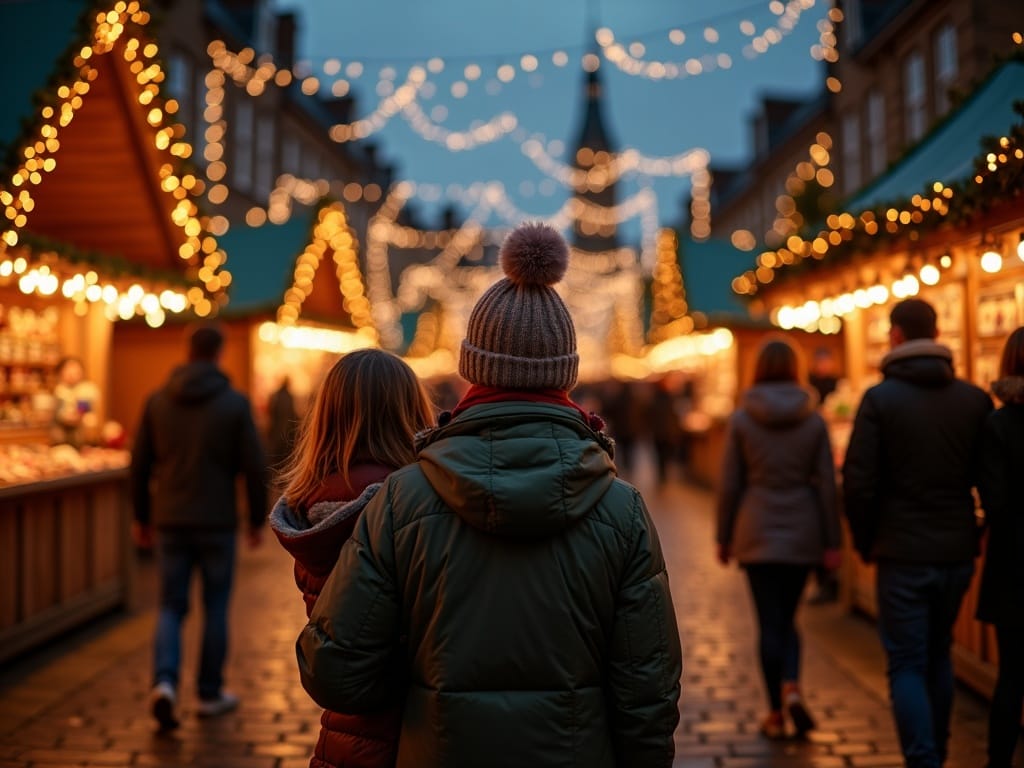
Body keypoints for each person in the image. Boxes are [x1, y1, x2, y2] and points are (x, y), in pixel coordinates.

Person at [297, 222, 682, 768]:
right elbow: (649, 688)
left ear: (472, 367)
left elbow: (335, 672)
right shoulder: (622, 509)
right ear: (566, 374)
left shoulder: (402, 500)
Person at [843, 298, 993, 768]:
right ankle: (940, 751)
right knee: (939, 653)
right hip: (955, 551)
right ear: (937, 333)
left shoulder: (879, 399)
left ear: (895, 336)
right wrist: (976, 531)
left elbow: (858, 482)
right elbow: (989, 480)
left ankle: (923, 760)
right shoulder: (973, 399)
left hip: (901, 550)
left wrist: (867, 542)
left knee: (906, 661)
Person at [270, 349, 434, 768]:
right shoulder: (415, 504)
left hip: (348, 731)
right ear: (411, 412)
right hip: (418, 726)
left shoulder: (311, 505)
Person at [131, 324, 269, 731]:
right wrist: (257, 520)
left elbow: (139, 467)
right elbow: (254, 466)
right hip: (216, 520)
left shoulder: (157, 401)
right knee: (216, 607)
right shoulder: (234, 404)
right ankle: (209, 693)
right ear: (219, 354)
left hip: (170, 519)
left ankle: (165, 683)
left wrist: (142, 518)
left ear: (187, 352)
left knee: (171, 606)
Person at [716, 337, 840, 740]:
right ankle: (791, 685)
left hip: (756, 528)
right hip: (803, 529)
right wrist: (832, 541)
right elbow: (825, 485)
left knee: (769, 622)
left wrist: (723, 536)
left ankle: (773, 712)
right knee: (790, 618)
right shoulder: (814, 418)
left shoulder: (742, 418)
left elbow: (731, 483)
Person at [976, 326, 1024, 768]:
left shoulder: (998, 424)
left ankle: (998, 762)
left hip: (1014, 565)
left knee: (1011, 674)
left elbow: (995, 501)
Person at [51, 356, 100, 446]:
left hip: (82, 439)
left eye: (75, 372)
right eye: (68, 372)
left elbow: (82, 411)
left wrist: (76, 416)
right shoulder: (59, 391)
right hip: (60, 439)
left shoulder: (86, 390)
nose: (72, 375)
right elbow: (58, 415)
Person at [266, 375, 300, 487]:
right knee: (284, 458)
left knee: (276, 458)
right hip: (285, 432)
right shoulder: (289, 397)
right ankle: (281, 481)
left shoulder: (275, 396)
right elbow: (292, 415)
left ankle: (275, 480)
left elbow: (271, 413)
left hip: (276, 432)